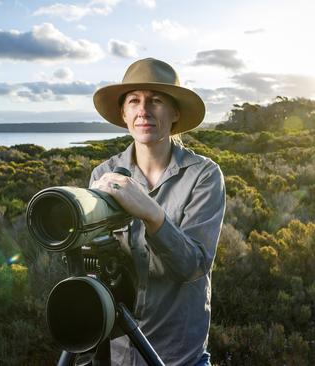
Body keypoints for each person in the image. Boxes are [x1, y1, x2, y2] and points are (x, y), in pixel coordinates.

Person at [89, 58, 226, 365]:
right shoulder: (105, 173)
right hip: (119, 355)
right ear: (123, 113)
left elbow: (193, 265)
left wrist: (151, 212)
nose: (144, 110)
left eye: (156, 100)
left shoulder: (203, 175)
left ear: (175, 112)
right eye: (134, 101)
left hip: (181, 357)